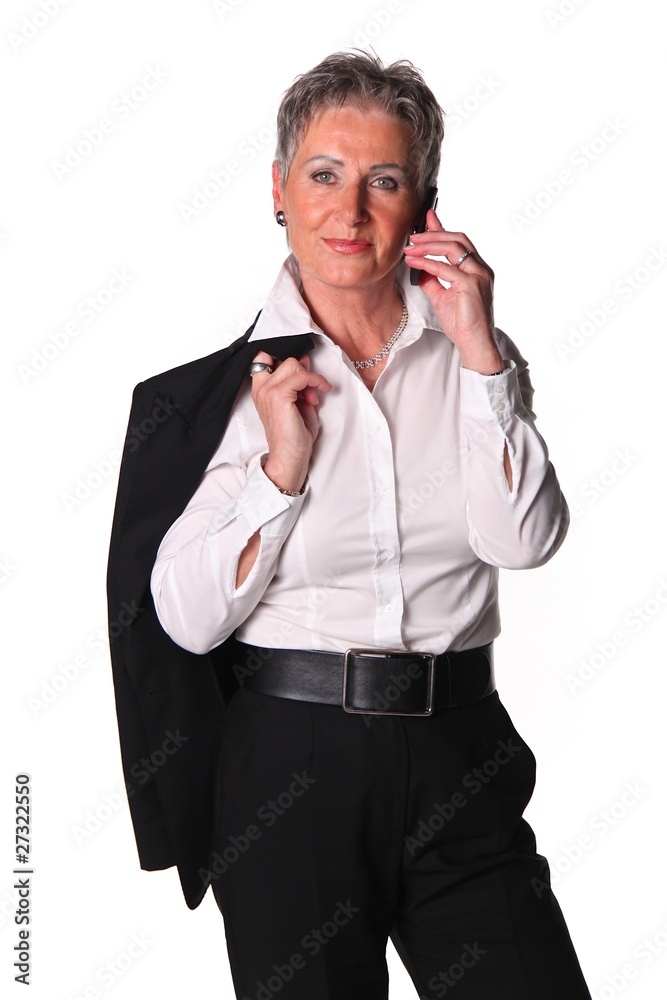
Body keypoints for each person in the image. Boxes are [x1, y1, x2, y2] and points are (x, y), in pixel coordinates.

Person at [110, 51, 592, 999]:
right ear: (278, 191)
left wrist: (481, 353)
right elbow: (185, 621)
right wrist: (279, 473)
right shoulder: (214, 399)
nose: (350, 211)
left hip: (462, 753)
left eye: (385, 181)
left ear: (425, 206)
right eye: (324, 175)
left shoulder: (476, 362)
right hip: (292, 768)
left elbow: (524, 541)